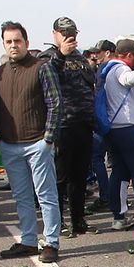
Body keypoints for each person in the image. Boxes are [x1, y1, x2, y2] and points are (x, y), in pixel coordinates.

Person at [0, 20, 61, 261]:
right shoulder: (1, 72)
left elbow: (55, 103)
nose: (13, 45)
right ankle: (29, 241)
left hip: (37, 143)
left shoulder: (42, 67)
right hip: (10, 144)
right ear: (3, 44)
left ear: (26, 42)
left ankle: (51, 242)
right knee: (22, 197)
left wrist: (48, 139)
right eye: (8, 41)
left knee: (46, 196)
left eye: (17, 41)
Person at [40, 17, 94, 245]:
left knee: (79, 176)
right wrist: (61, 54)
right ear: (55, 34)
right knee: (60, 178)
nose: (69, 37)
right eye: (64, 33)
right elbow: (48, 76)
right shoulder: (48, 57)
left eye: (72, 33)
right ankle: (57, 221)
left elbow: (90, 81)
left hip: (83, 123)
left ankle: (78, 219)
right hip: (62, 125)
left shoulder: (80, 57)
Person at [95, 39, 134, 231]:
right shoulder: (121, 68)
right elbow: (127, 79)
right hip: (128, 127)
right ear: (130, 55)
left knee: (120, 172)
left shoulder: (106, 69)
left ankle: (119, 216)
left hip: (112, 129)